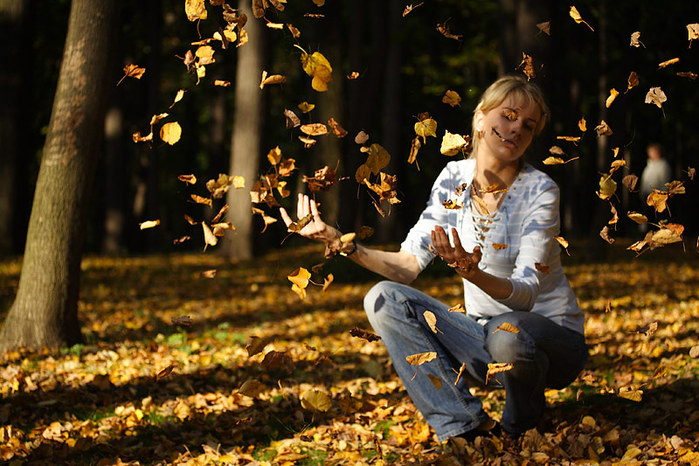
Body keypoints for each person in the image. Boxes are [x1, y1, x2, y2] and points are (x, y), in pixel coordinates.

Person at [279, 75, 588, 444]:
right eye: (507, 115)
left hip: (554, 343)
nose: (516, 128)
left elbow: (525, 295)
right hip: (483, 338)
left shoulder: (540, 191)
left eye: (528, 125)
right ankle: (468, 428)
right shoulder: (454, 180)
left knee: (509, 333)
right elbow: (407, 267)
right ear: (479, 118)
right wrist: (338, 241)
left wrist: (471, 272)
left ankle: (523, 423)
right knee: (383, 298)